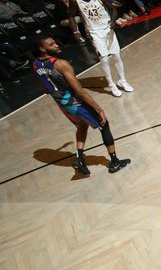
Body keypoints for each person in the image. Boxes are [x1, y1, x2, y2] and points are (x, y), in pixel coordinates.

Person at [32, 36, 130, 175]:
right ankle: (114, 162)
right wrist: (99, 108)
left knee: (82, 125)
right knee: (104, 125)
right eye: (51, 44)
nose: (56, 45)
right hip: (75, 102)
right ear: (42, 49)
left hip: (62, 104)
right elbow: (79, 91)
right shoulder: (61, 64)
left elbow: (44, 89)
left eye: (55, 42)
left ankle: (79, 159)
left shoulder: (36, 64)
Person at [69, 0, 134, 97]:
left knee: (117, 56)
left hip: (107, 28)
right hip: (94, 32)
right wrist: (75, 31)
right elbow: (71, 16)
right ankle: (111, 84)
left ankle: (122, 81)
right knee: (104, 59)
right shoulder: (74, 0)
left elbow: (113, 9)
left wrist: (113, 21)